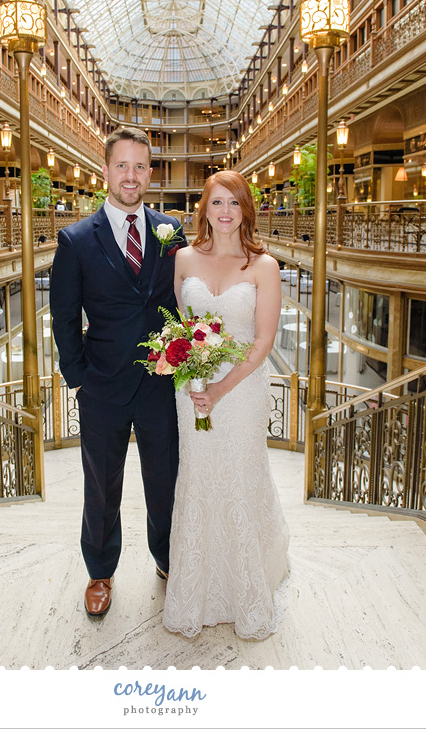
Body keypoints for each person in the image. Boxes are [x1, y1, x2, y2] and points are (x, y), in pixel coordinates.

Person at [50, 127, 186, 618]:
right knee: (101, 485)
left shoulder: (171, 230)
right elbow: (64, 316)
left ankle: (168, 559)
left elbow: (181, 301)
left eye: (140, 166)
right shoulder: (76, 240)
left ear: (150, 173)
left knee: (165, 479)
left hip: (159, 384)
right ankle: (100, 571)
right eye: (122, 166)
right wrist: (78, 377)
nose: (131, 176)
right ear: (105, 171)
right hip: (102, 386)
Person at [162, 170, 290, 639]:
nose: (225, 211)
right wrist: (192, 374)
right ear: (204, 209)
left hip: (241, 392)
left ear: (246, 210)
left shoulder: (264, 266)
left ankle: (245, 588)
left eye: (234, 202)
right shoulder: (183, 259)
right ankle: (195, 587)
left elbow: (262, 342)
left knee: (238, 475)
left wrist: (220, 389)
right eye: (217, 202)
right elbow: (181, 327)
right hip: (192, 390)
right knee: (198, 477)